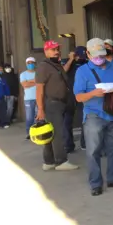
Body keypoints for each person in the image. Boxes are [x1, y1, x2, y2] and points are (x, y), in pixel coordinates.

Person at [74, 38, 113, 196]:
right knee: (93, 150)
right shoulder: (82, 71)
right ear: (88, 54)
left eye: (102, 55)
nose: (100, 58)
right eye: (96, 55)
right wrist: (92, 93)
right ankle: (96, 183)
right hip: (94, 114)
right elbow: (78, 97)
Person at [35, 40, 79, 171]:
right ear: (46, 51)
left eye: (57, 49)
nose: (56, 51)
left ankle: (49, 161)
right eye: (53, 49)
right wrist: (41, 110)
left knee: (51, 132)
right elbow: (39, 89)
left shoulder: (55, 64)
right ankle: (61, 161)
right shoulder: (43, 66)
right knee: (58, 133)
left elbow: (62, 73)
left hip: (59, 103)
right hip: (52, 103)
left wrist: (70, 60)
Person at [61, 50, 78, 153]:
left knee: (67, 123)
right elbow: (64, 70)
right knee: (64, 124)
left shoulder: (78, 66)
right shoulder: (64, 63)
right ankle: (67, 144)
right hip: (62, 99)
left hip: (71, 98)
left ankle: (68, 144)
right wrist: (71, 59)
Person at [20, 57, 38, 139]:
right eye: (28, 63)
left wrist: (29, 81)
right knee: (29, 117)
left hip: (38, 97)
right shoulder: (23, 74)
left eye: (32, 63)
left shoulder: (38, 73)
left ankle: (37, 132)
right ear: (26, 64)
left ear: (35, 64)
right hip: (28, 99)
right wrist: (35, 81)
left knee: (38, 117)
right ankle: (29, 133)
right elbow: (24, 85)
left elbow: (41, 82)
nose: (30, 64)